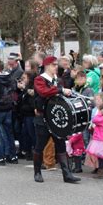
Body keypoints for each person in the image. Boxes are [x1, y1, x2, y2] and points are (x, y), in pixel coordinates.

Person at [32, 56, 80, 184]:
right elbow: (43, 92)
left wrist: (65, 92)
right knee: (40, 146)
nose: (56, 67)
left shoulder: (57, 80)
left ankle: (67, 174)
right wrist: (61, 90)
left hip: (55, 117)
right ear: (47, 66)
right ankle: (37, 172)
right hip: (42, 117)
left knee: (60, 145)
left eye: (56, 65)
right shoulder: (39, 79)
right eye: (53, 65)